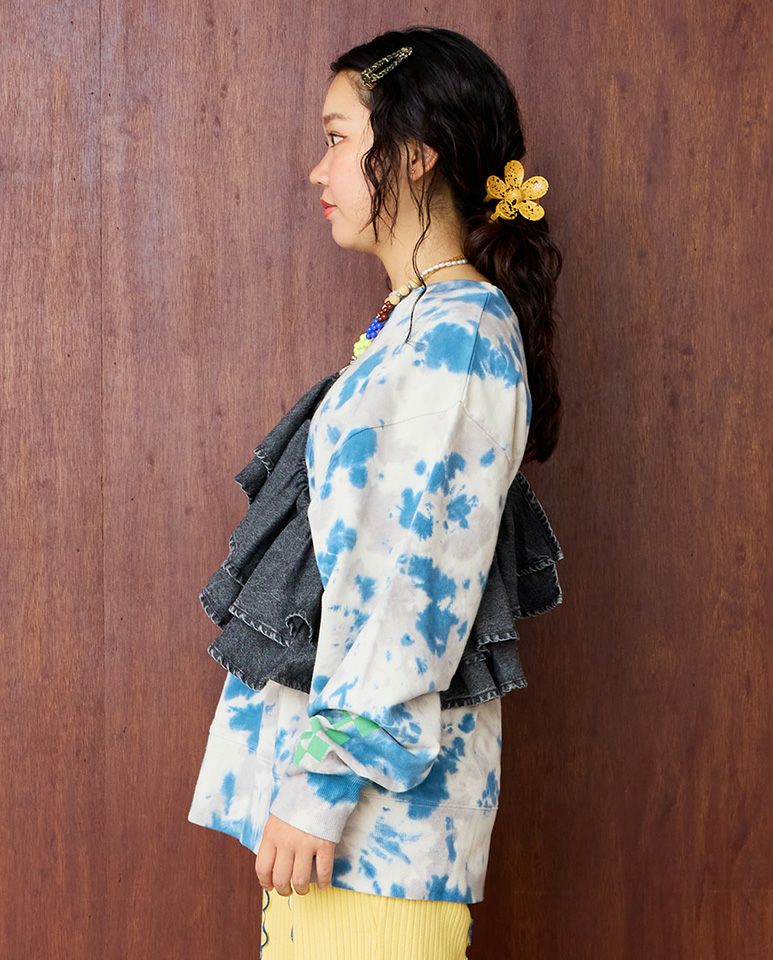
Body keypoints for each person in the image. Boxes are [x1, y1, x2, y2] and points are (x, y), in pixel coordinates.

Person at [188, 24, 563, 960]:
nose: (318, 170)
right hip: (346, 846)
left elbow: (413, 588)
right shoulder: (417, 323)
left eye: (338, 138)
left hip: (376, 844)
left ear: (415, 152)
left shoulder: (460, 336)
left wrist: (319, 788)